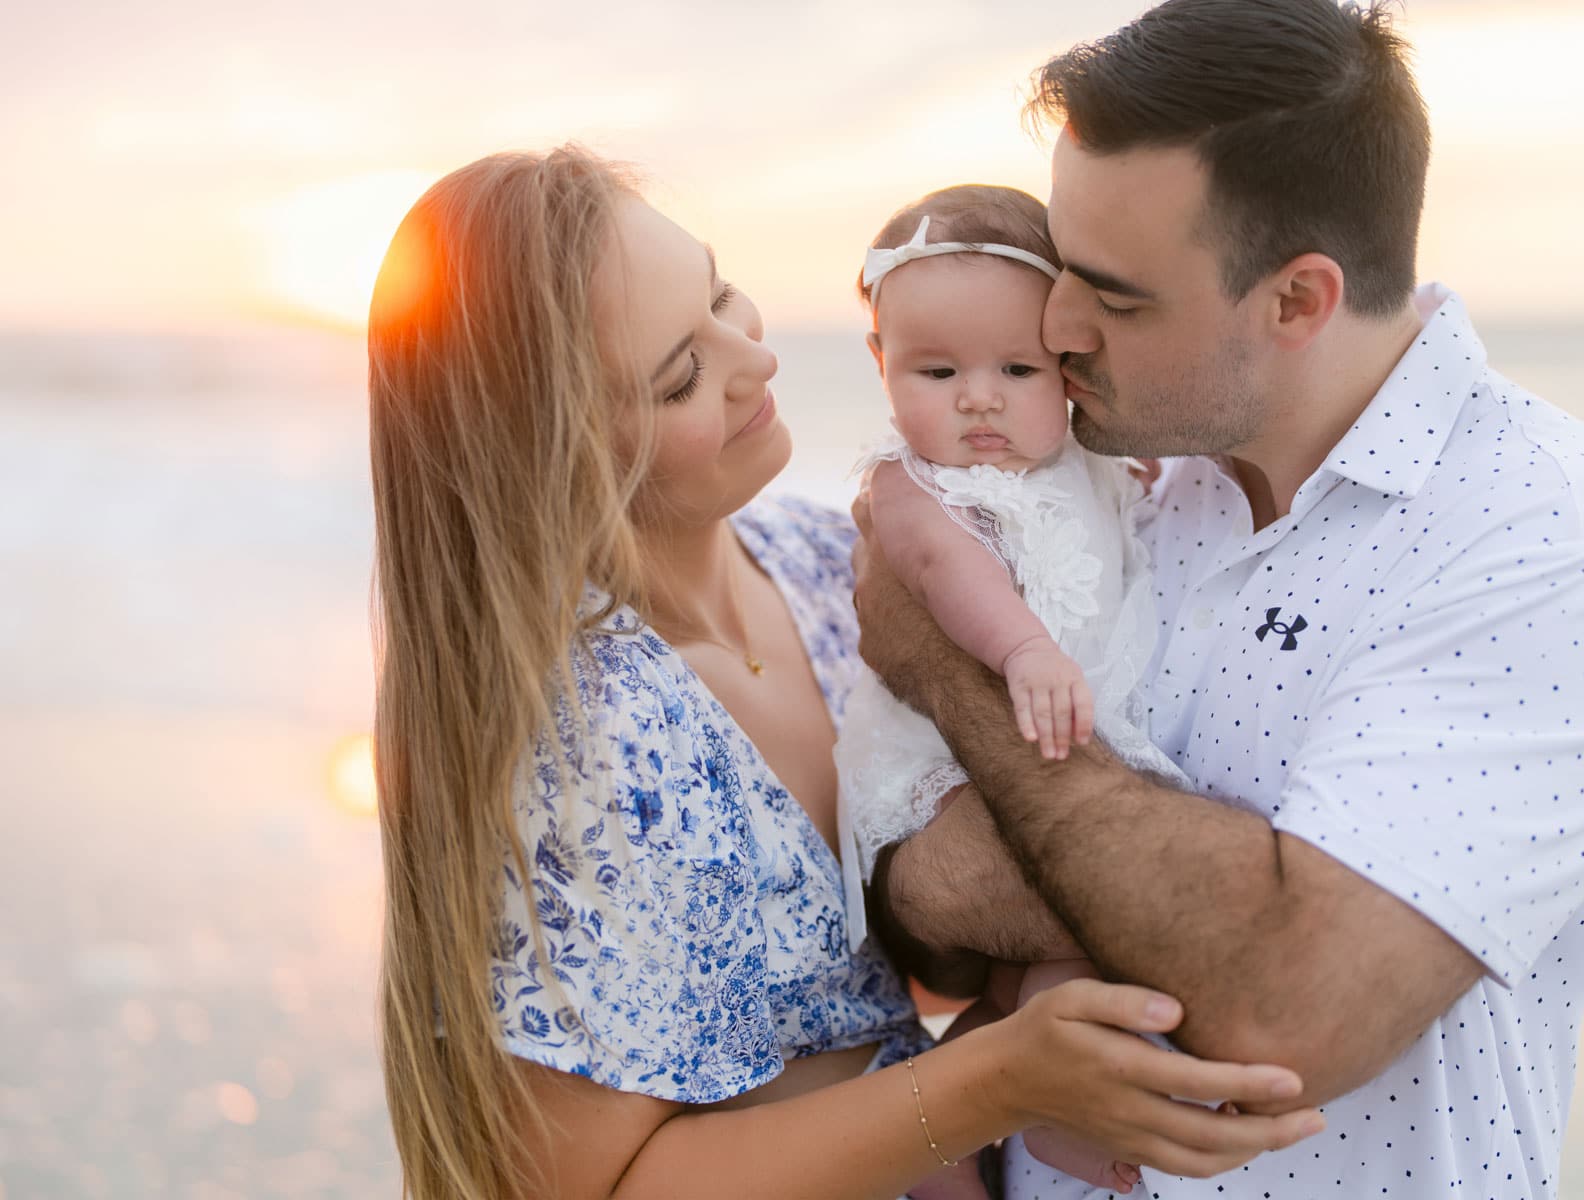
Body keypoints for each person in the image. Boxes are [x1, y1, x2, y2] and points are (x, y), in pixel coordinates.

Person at [856, 3, 1584, 1198]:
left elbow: (1289, 1007)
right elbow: (913, 912)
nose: (1054, 329)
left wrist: (945, 669)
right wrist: (1140, 889)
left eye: (1117, 295)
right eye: (1061, 270)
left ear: (1299, 299)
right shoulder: (1126, 475)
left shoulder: (1541, 531)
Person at [366, 145, 1327, 1200]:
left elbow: (908, 956)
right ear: (558, 454)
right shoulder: (584, 742)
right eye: (685, 371)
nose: (755, 361)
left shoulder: (831, 569)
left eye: (724, 293)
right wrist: (997, 1078)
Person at [834, 184, 1188, 1195]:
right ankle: (1034, 1109)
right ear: (881, 365)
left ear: (1069, 367)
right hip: (942, 772)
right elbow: (953, 575)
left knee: (1045, 969)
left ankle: (956, 1101)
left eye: (1018, 369)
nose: (979, 399)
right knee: (1073, 907)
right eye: (936, 371)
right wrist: (1023, 649)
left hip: (1052, 738)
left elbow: (1120, 508)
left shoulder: (1079, 457)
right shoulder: (911, 487)